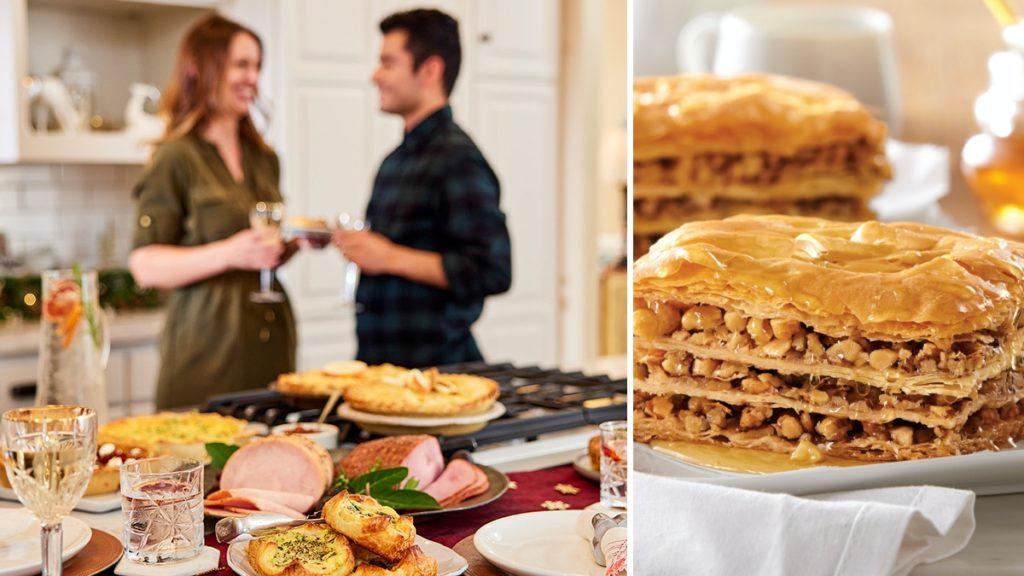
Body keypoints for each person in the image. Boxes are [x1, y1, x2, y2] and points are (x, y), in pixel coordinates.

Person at [129, 15, 296, 409]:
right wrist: (230, 253)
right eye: (242, 65)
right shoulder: (176, 157)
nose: (253, 78)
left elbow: (259, 249)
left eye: (257, 66)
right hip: (206, 347)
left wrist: (287, 247)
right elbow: (145, 265)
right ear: (203, 68)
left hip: (270, 341)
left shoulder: (264, 158)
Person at [334, 9, 512, 368]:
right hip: (381, 368)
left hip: (438, 372)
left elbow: (492, 270)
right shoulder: (394, 160)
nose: (375, 75)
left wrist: (388, 256)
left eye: (388, 62)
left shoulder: (458, 159)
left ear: (430, 70)